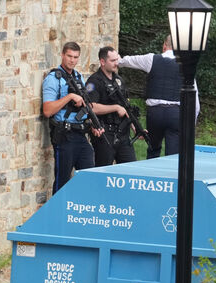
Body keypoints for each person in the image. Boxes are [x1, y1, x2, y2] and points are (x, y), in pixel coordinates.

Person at [118, 36, 199, 158]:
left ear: (164, 45)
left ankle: (152, 168)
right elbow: (194, 97)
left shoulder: (152, 59)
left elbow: (130, 61)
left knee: (153, 150)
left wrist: (118, 61)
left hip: (155, 113)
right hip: (175, 114)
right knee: (173, 155)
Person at [41, 41, 103, 193]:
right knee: (62, 183)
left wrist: (93, 125)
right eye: (69, 56)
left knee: (89, 178)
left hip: (81, 134)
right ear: (62, 55)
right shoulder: (53, 78)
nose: (72, 60)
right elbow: (47, 111)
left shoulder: (78, 77)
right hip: (64, 136)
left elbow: (85, 105)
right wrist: (69, 97)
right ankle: (57, 208)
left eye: (75, 57)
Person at [87, 46, 138, 166]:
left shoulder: (118, 80)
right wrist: (115, 108)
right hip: (105, 134)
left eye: (117, 60)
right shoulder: (93, 81)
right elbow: (91, 107)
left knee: (131, 169)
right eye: (113, 60)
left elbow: (126, 106)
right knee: (103, 171)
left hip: (123, 134)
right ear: (102, 61)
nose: (117, 63)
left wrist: (135, 126)